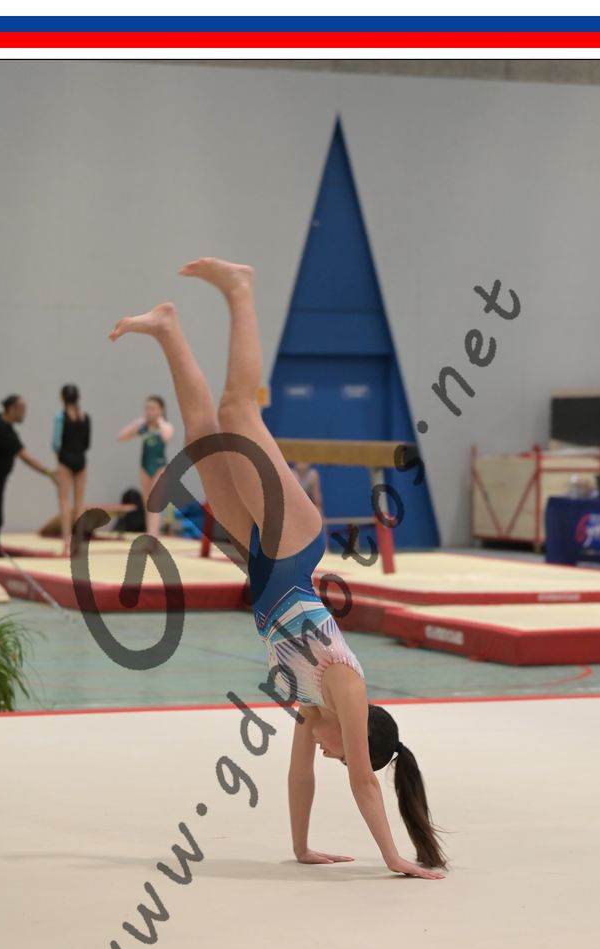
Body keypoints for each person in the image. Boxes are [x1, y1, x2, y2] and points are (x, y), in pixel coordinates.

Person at [109, 258, 446, 878]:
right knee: (240, 411)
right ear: (357, 737)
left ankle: (168, 328)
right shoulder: (345, 687)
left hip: (265, 563)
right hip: (295, 549)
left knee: (204, 437)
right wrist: (393, 857)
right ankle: (240, 289)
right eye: (341, 755)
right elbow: (364, 783)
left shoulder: (310, 707)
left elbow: (298, 775)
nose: (328, 755)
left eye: (332, 756)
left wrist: (301, 847)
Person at [0, 395, 55, 556]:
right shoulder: (5, 432)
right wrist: (48, 473)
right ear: (12, 409)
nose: (24, 413)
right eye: (22, 409)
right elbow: (26, 457)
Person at [118, 396, 175, 539]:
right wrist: (136, 424)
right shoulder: (143, 427)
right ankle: (150, 533)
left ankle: (153, 537)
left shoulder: (165, 426)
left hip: (159, 466)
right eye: (147, 408)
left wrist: (160, 421)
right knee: (146, 503)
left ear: (161, 410)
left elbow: (167, 437)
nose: (149, 412)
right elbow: (121, 436)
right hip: (145, 467)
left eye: (152, 408)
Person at [52, 384, 92, 556]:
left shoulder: (60, 417)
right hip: (81, 460)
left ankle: (66, 544)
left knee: (64, 501)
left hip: (65, 460)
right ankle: (79, 543)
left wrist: (59, 460)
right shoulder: (85, 417)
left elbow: (55, 443)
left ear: (62, 398)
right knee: (79, 503)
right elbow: (87, 444)